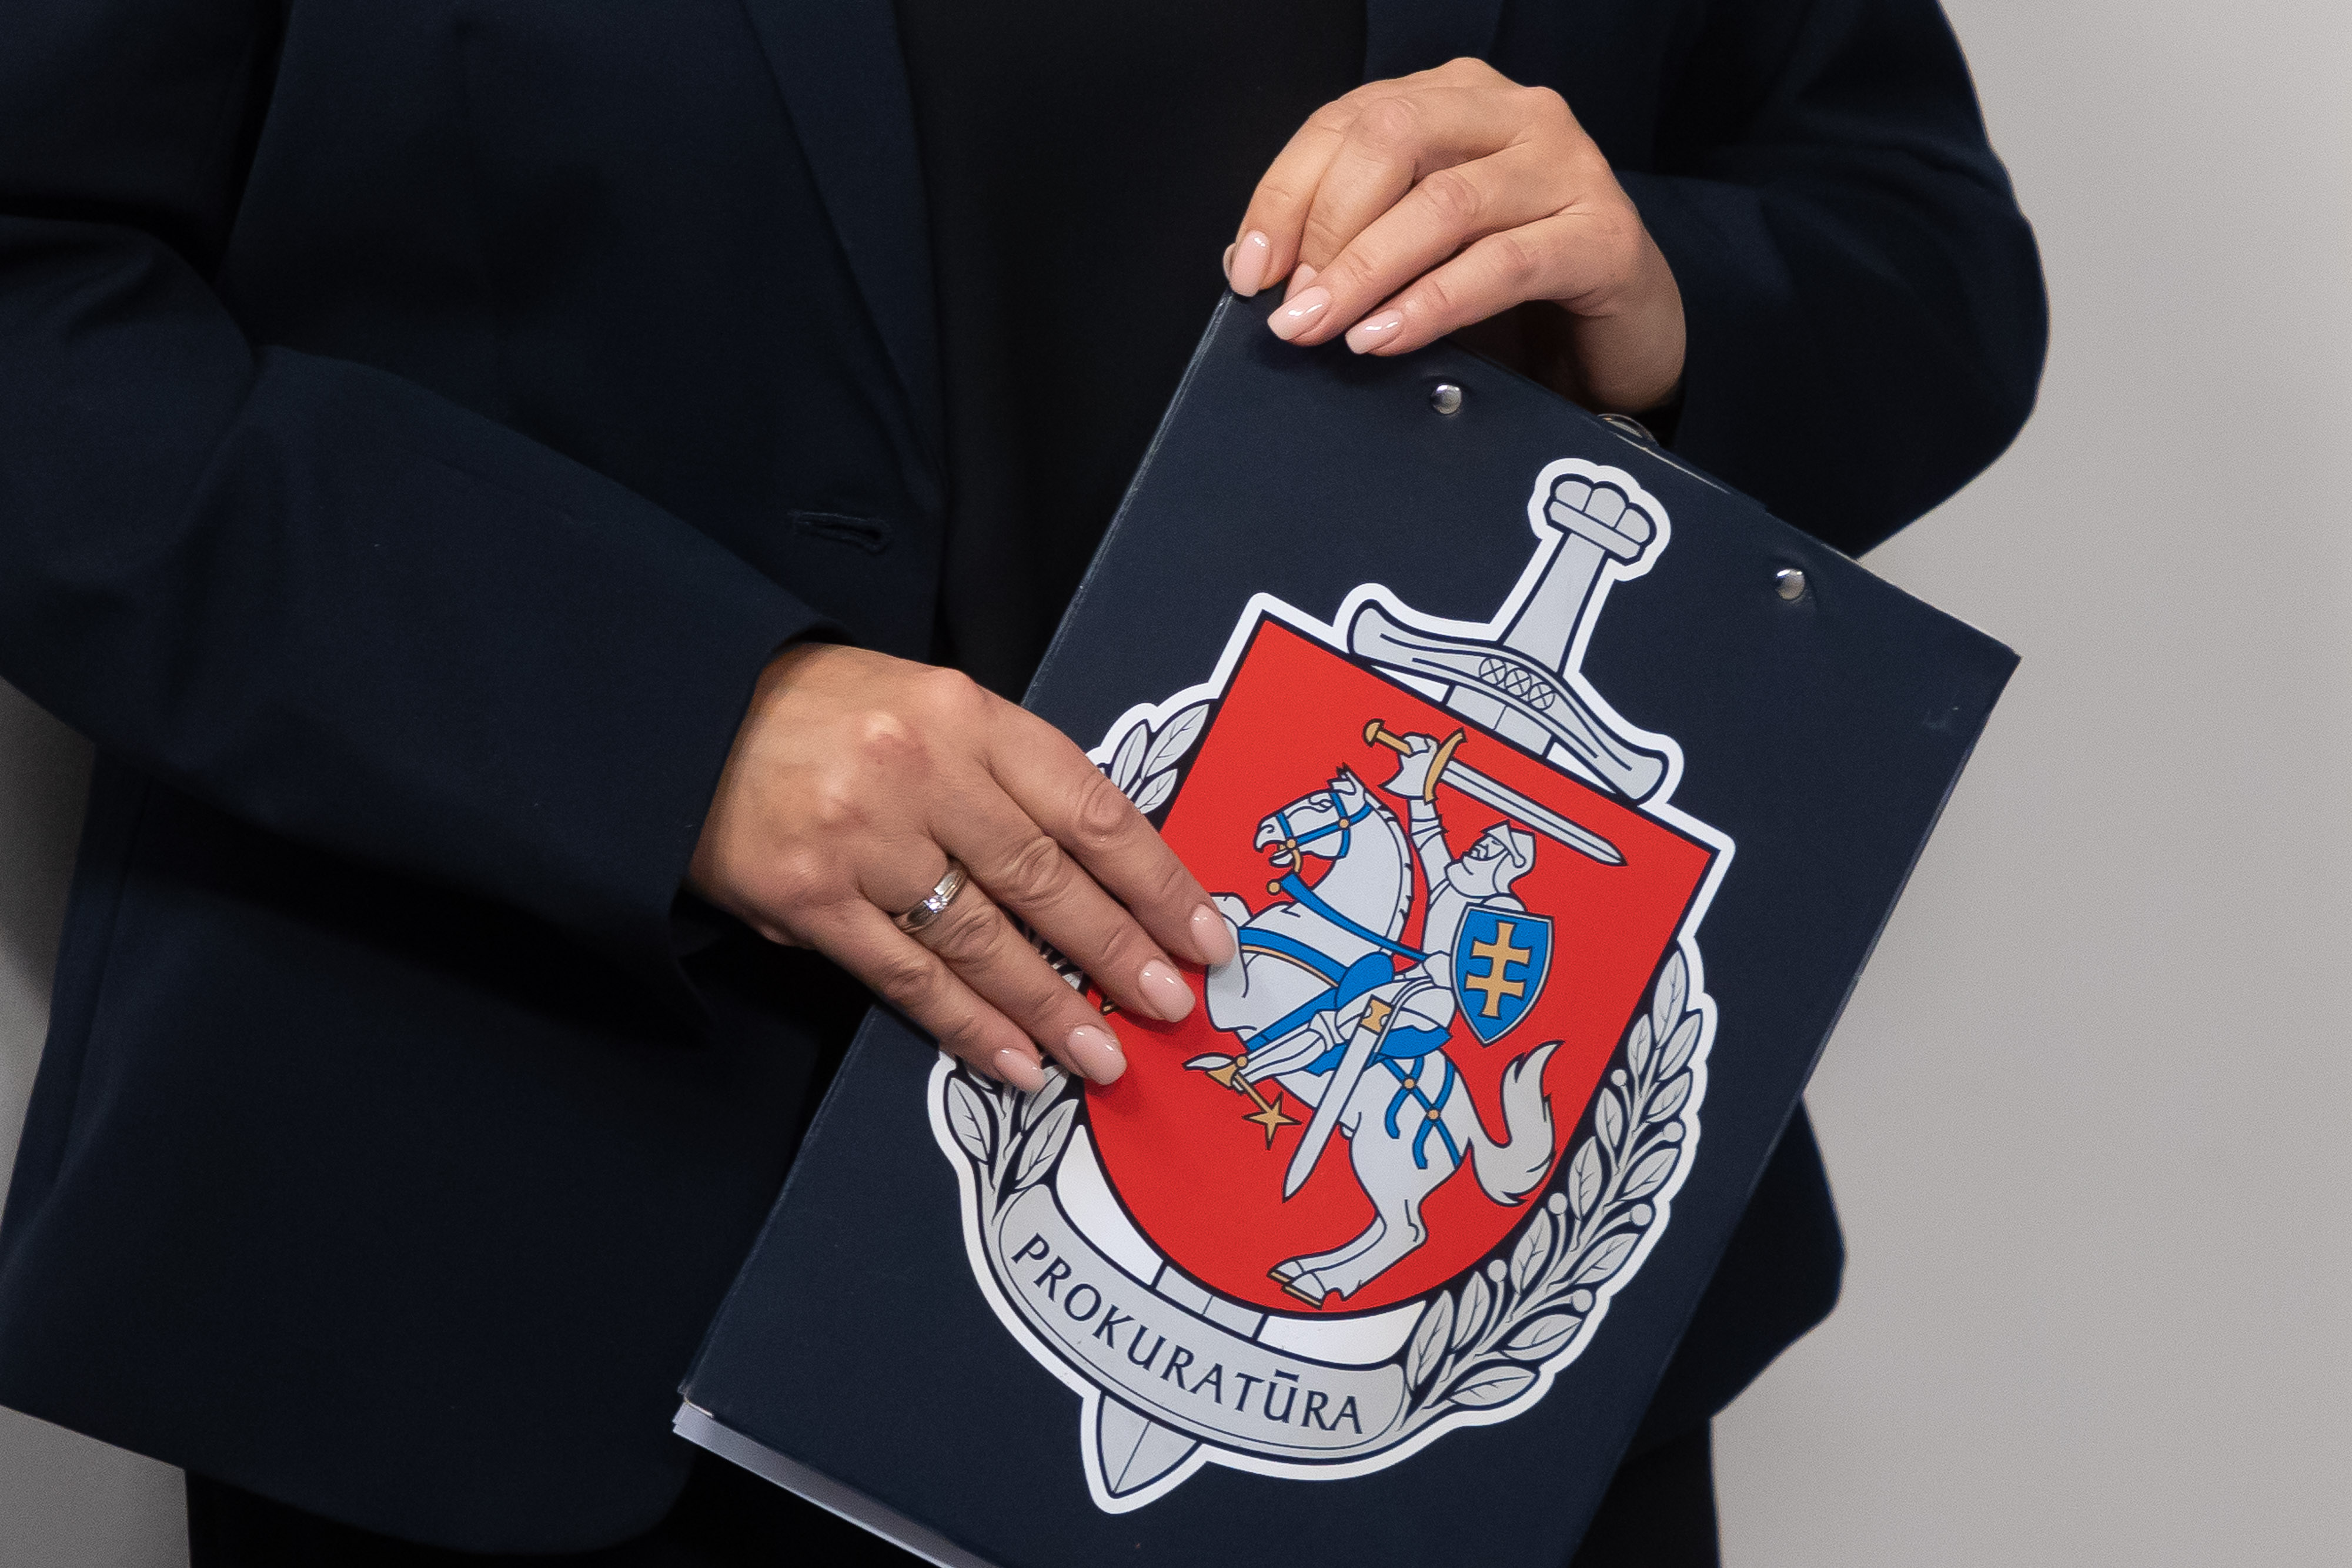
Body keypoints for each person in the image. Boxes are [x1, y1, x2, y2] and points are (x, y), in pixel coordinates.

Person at [0, 1, 2044, 1563]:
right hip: (499, 1287)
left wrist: (1658, 295)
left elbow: (1921, 241)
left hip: (1429, 1416)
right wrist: (672, 722)